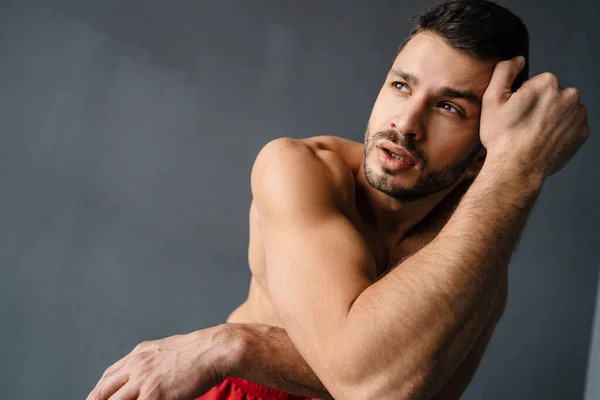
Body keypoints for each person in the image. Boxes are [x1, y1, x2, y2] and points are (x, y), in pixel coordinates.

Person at [86, 0, 589, 399]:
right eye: (400, 86)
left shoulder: (477, 256)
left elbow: (389, 390)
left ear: (485, 153)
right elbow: (368, 379)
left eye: (448, 107)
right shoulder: (300, 167)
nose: (405, 123)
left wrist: (233, 344)